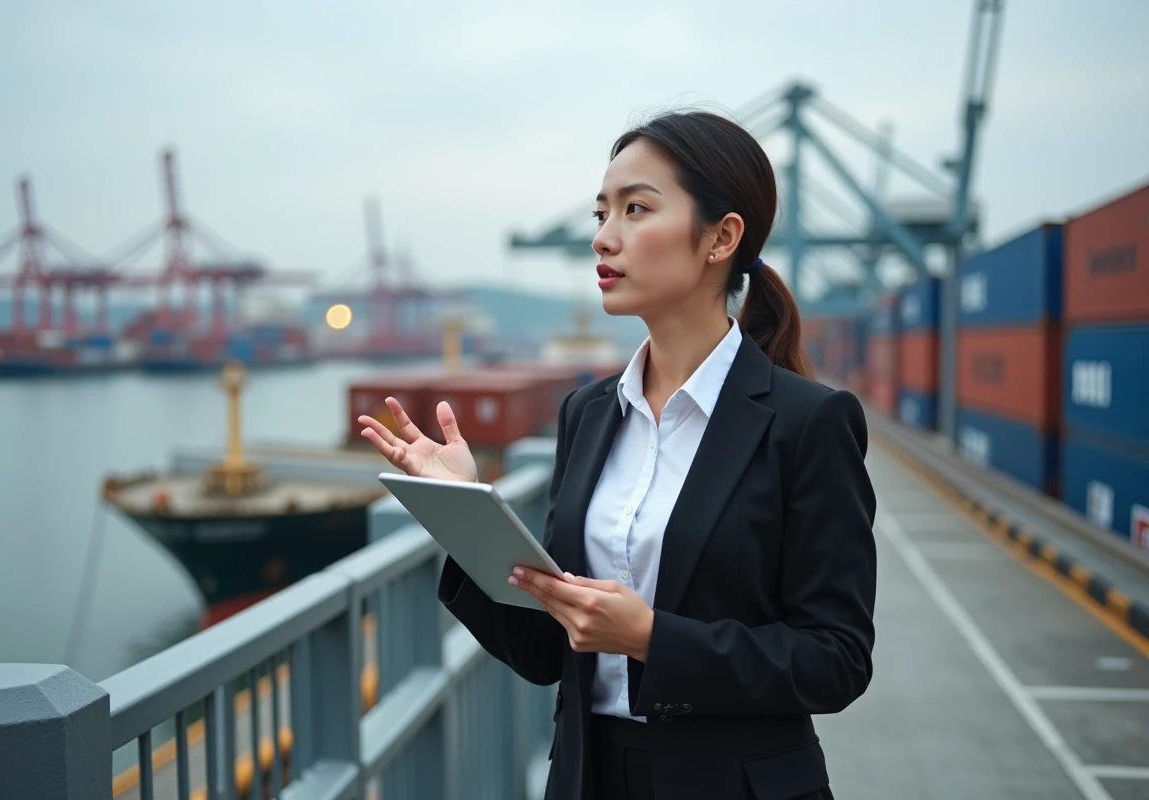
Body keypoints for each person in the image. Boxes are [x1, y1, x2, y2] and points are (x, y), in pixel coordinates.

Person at [356, 109, 878, 800]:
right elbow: (546, 651)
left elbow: (836, 659)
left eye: (636, 209)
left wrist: (655, 639)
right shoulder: (590, 413)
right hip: (587, 778)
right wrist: (463, 512)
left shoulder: (808, 422)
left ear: (721, 237)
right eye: (603, 213)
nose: (604, 237)